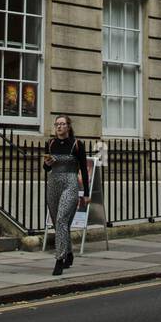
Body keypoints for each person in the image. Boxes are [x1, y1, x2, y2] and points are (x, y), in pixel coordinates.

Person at [43, 114, 90, 275]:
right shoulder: (50, 143)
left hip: (70, 184)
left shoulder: (77, 144)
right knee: (59, 224)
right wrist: (46, 164)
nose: (59, 127)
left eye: (62, 124)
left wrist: (87, 193)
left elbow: (84, 169)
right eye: (57, 124)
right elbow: (46, 169)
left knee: (62, 219)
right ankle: (69, 253)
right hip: (53, 184)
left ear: (68, 126)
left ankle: (59, 259)